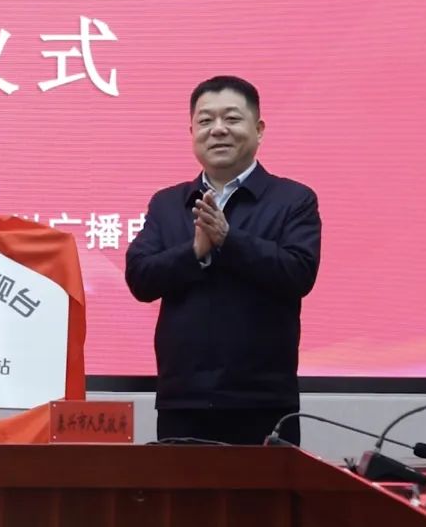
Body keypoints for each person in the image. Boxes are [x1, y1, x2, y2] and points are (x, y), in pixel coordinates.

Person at [125, 75, 321, 446]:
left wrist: (228, 240)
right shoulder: (168, 204)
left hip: (263, 402)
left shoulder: (293, 200)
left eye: (231, 119)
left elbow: (298, 272)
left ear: (258, 130)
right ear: (192, 132)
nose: (217, 130)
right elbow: (140, 277)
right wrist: (194, 252)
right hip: (183, 400)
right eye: (205, 121)